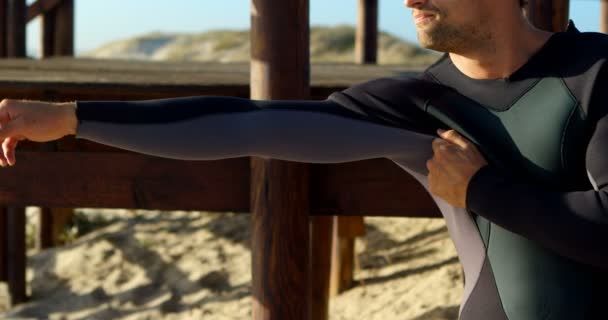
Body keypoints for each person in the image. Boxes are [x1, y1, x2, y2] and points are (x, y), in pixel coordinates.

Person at [0, 0, 606, 318]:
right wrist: (76, 117)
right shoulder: (419, 103)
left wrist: (481, 191)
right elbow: (247, 125)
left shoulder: (596, 72)